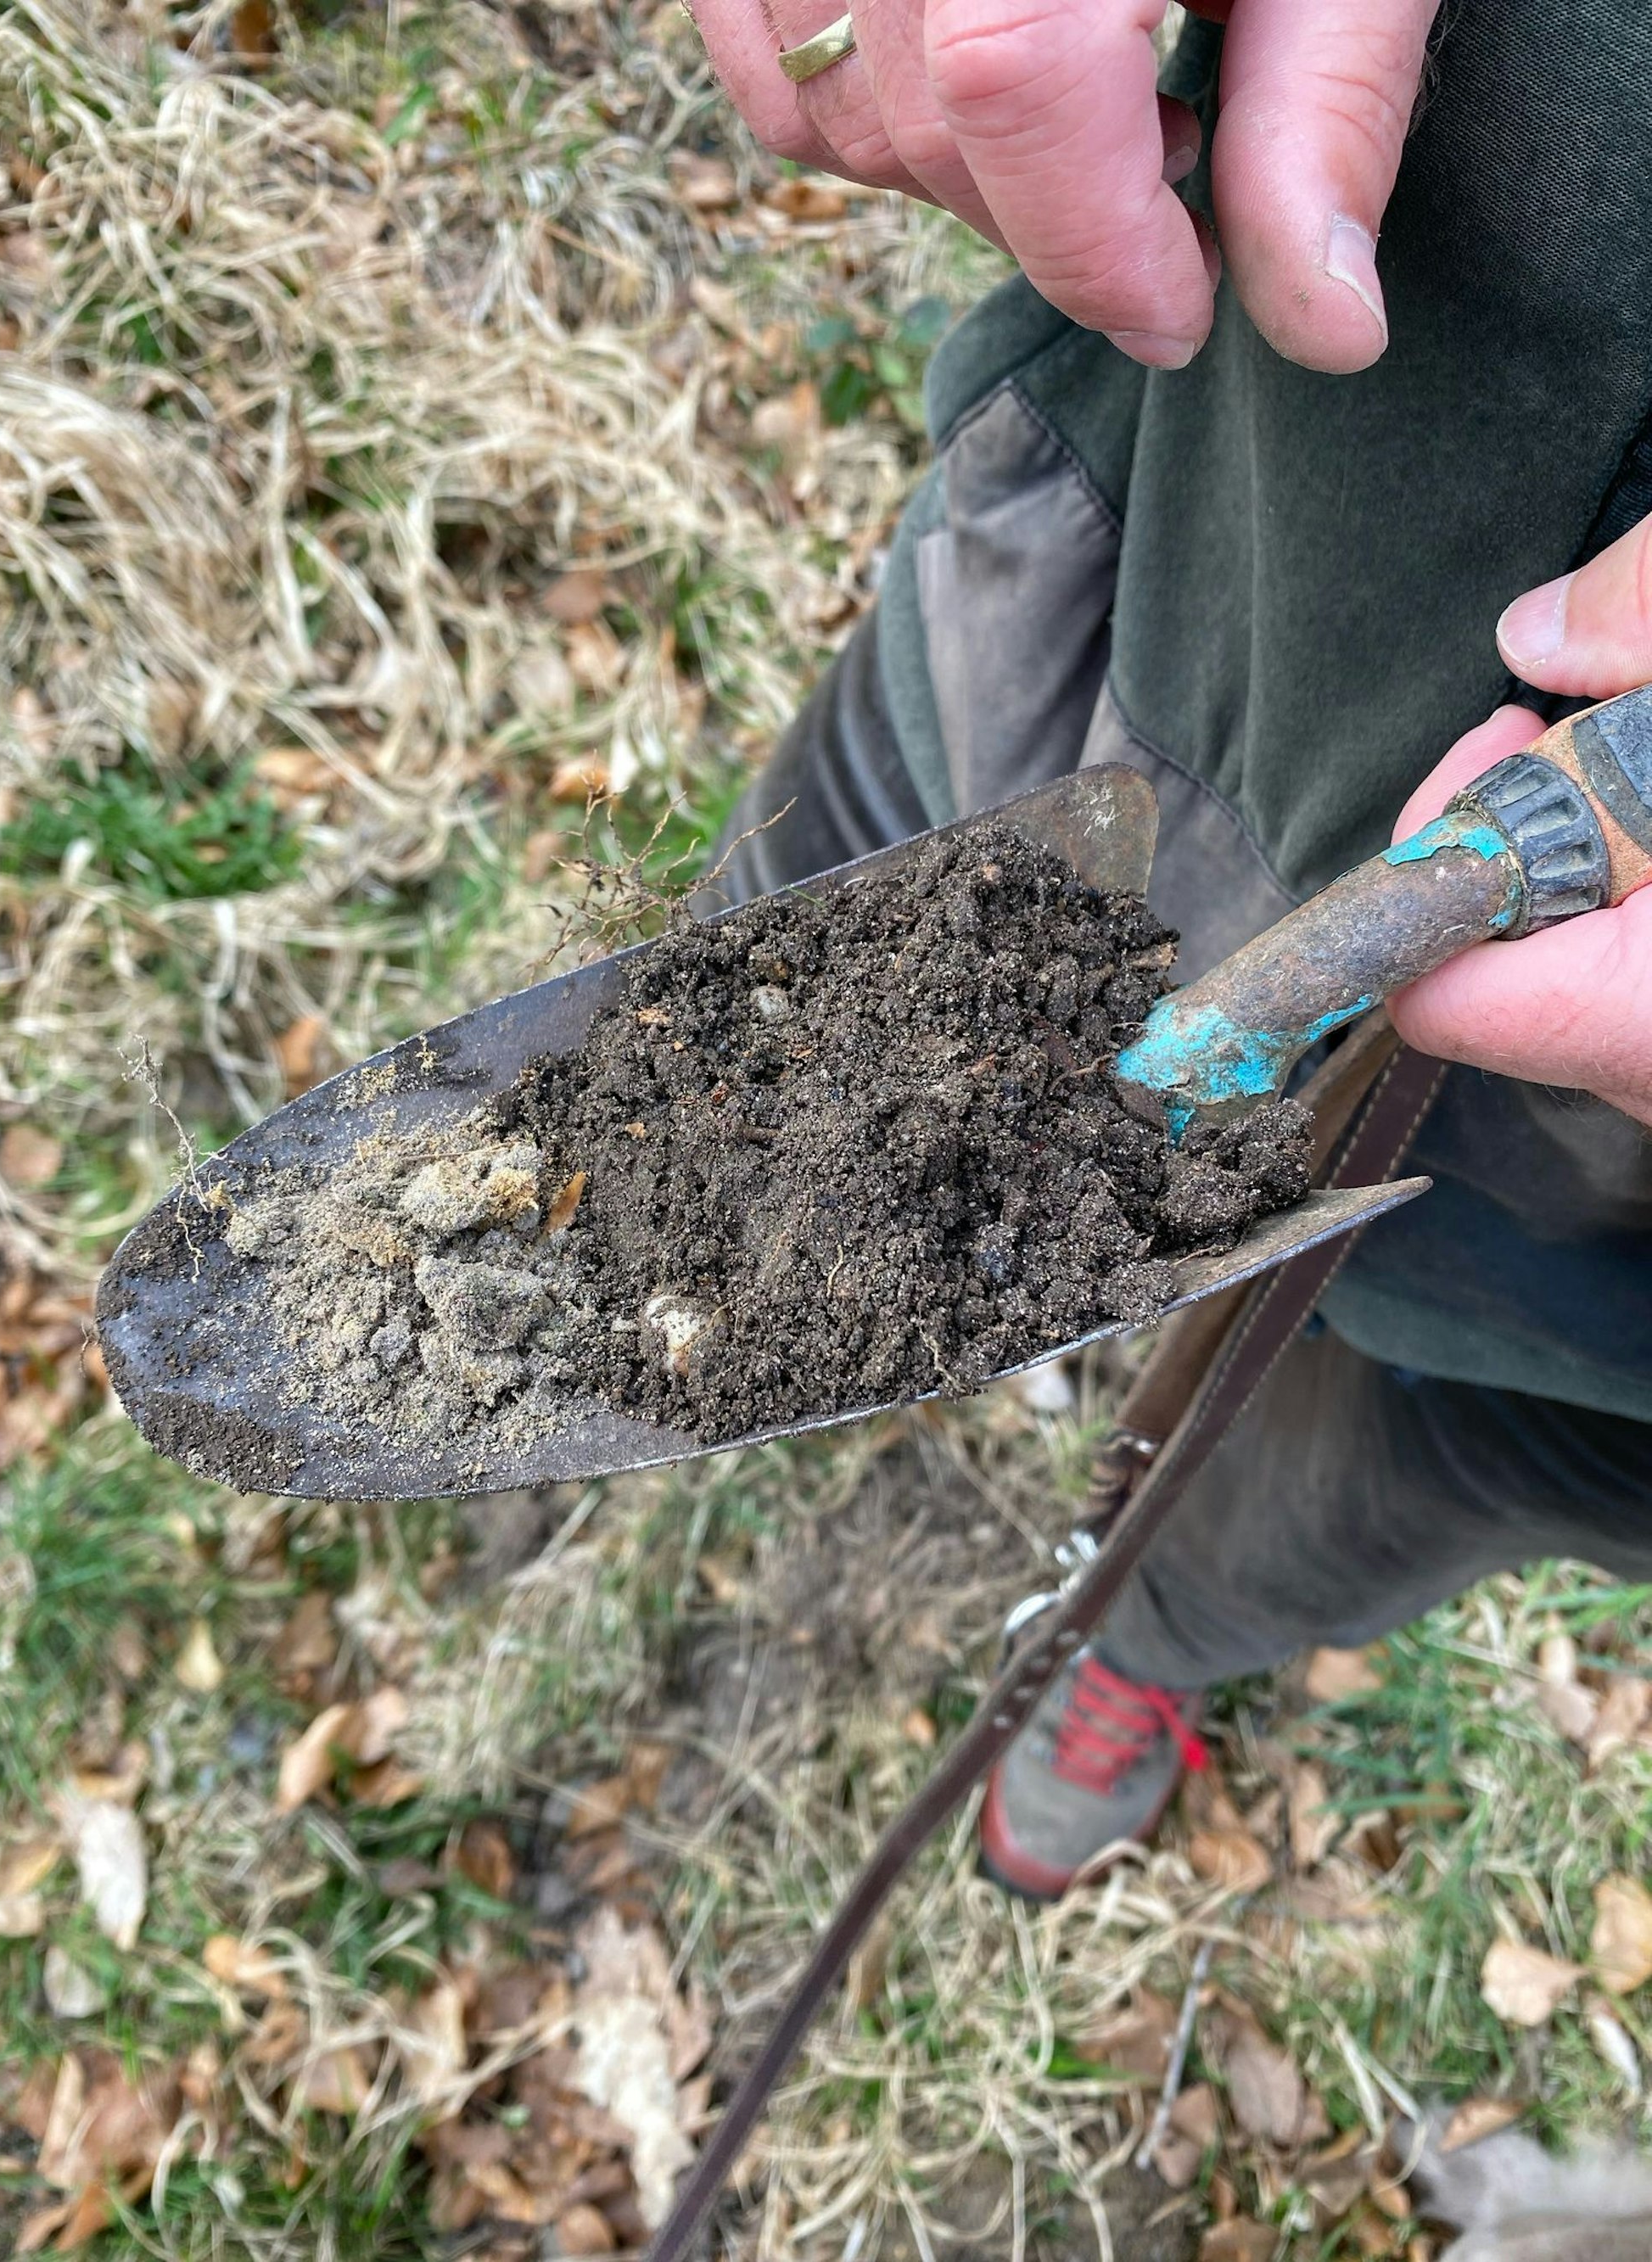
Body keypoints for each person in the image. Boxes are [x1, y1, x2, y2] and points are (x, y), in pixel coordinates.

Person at [689, 0, 1652, 1899]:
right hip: (1199, 556)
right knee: (783, 1039)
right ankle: (698, 1242)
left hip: (1601, 1218)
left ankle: (1130, 1634)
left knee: (1384, 1445)